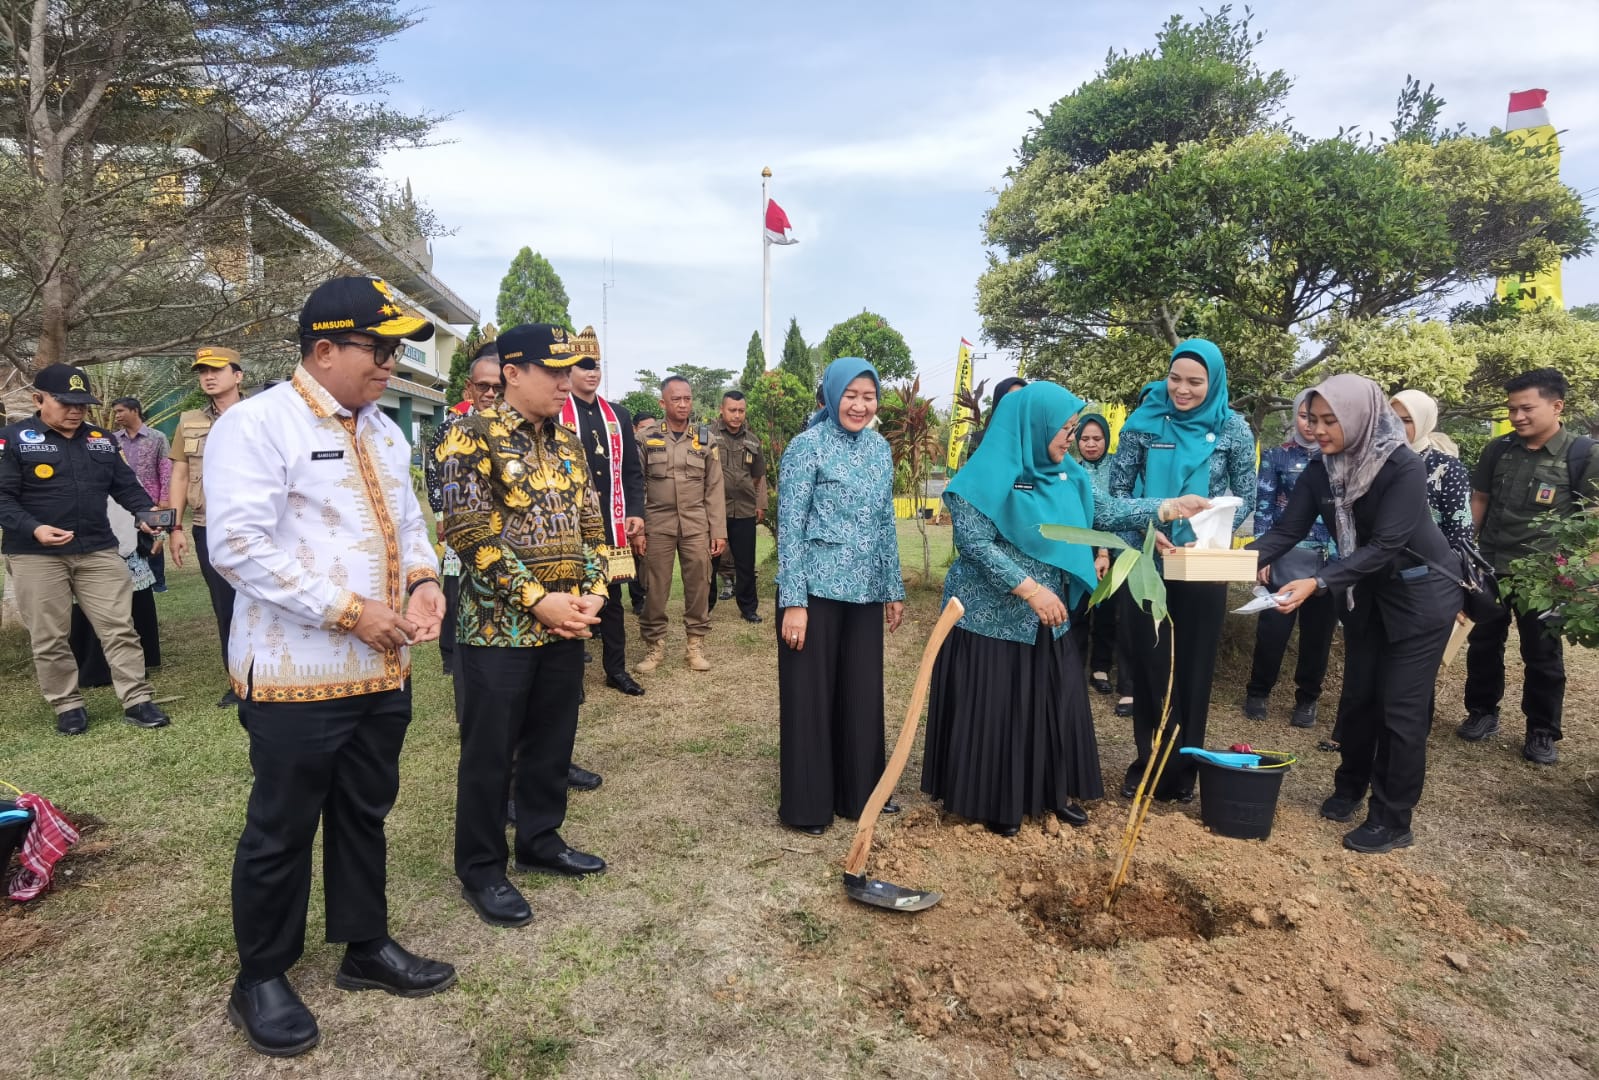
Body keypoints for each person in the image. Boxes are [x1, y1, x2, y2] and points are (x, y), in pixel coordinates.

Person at [205, 276, 454, 1057]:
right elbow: (239, 546)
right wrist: (350, 611)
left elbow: (409, 521)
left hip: (383, 669)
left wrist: (422, 580)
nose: (389, 363)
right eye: (378, 348)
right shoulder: (255, 425)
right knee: (281, 827)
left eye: (393, 350)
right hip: (295, 673)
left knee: (364, 812)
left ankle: (364, 945)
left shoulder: (383, 429)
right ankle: (262, 976)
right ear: (323, 349)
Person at [922, 383, 1205, 835]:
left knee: (1051, 703)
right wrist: (1030, 589)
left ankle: (1049, 792)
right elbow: (974, 545)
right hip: (991, 621)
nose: (1069, 439)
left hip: (1048, 621)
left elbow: (1105, 512)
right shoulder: (981, 478)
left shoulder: (1068, 475)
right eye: (1063, 429)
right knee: (1000, 709)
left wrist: (1171, 507)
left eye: (1074, 429)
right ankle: (993, 801)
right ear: (1033, 427)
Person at [439, 322, 610, 930]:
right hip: (497, 630)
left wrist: (592, 592)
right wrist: (539, 600)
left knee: (551, 741)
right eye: (554, 372)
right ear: (512, 372)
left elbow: (592, 522)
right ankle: (482, 867)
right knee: (489, 752)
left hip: (566, 626)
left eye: (571, 371)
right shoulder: (469, 437)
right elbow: (468, 532)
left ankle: (541, 840)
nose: (566, 383)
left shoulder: (566, 443)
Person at [1250, 375, 1461, 853]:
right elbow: (1287, 530)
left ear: (1360, 418)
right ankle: (1349, 787)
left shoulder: (1401, 466)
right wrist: (1232, 555)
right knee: (1360, 699)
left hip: (1420, 600)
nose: (1319, 430)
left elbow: (1388, 544)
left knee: (1400, 710)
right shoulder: (1321, 468)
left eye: (1331, 421)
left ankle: (1393, 819)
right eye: (1313, 419)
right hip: (1365, 597)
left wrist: (1321, 582)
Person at [1108, 339, 1255, 802]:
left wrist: (1216, 521)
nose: (1182, 390)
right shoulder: (1144, 422)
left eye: (1195, 381)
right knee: (1150, 665)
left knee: (1192, 670)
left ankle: (1182, 771)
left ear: (1214, 382)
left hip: (1203, 565)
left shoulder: (1233, 428)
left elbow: (1246, 494)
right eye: (1175, 379)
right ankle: (1147, 762)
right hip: (1148, 561)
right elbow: (1116, 495)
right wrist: (1149, 528)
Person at [0, 364, 171, 735]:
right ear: (38, 399)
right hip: (35, 555)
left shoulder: (101, 440)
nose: (76, 410)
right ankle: (68, 705)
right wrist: (35, 529)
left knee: (119, 627)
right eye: (66, 403)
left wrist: (144, 513)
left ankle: (137, 699)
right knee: (50, 635)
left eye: (83, 403)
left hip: (97, 549)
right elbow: (3, 498)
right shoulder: (12, 439)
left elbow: (126, 486)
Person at [776, 358, 905, 835]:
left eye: (868, 396)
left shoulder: (879, 449)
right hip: (815, 592)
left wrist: (893, 589)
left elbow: (886, 523)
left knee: (862, 693)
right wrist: (794, 601)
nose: (859, 404)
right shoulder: (806, 447)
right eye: (850, 394)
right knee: (810, 698)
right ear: (831, 396)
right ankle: (809, 805)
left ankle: (862, 794)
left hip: (866, 591)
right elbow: (788, 529)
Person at [1460, 368, 1598, 764]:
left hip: (1546, 577)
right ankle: (1482, 712)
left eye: (1526, 408)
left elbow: (1593, 518)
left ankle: (1542, 731)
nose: (1517, 417)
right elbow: (1481, 499)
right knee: (1484, 644)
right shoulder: (1498, 450)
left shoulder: (1583, 454)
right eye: (1511, 410)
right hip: (1492, 566)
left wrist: (1583, 577)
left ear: (1557, 406)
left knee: (1542, 654)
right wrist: (1469, 549)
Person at [1242, 390, 1339, 729]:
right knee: (1273, 630)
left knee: (1318, 635)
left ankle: (1308, 698)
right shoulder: (1276, 456)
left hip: (1329, 561)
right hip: (1284, 555)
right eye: (1304, 416)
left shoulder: (1340, 459)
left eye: (1321, 419)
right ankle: (1258, 692)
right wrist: (1262, 557)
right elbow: (1265, 508)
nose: (1311, 426)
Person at [559, 330, 646, 698]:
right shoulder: (558, 410)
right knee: (570, 596)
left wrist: (637, 512)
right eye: (583, 366)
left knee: (611, 599)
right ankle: (570, 677)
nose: (591, 373)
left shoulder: (619, 415)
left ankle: (616, 669)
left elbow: (631, 470)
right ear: (569, 369)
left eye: (596, 366)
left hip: (611, 525)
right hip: (568, 527)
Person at [166, 346, 246, 707]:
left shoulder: (261, 415)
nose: (208, 377)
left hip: (257, 524)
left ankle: (274, 670)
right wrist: (175, 527)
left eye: (216, 369)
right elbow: (180, 474)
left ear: (238, 375)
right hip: (208, 525)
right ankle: (238, 680)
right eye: (202, 371)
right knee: (224, 603)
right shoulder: (189, 421)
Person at [637, 376, 726, 673]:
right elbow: (638, 485)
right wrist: (639, 529)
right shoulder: (646, 438)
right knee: (655, 586)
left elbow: (714, 488)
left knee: (700, 583)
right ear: (663, 403)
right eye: (676, 399)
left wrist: (718, 531)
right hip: (657, 523)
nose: (684, 404)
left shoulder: (705, 439)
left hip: (695, 523)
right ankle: (654, 647)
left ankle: (695, 646)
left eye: (687, 398)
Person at [424, 342, 501, 679]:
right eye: (483, 386)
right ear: (469, 387)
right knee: (456, 590)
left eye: (497, 387)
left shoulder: (513, 428)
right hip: (460, 525)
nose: (490, 393)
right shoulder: (451, 427)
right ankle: (450, 654)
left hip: (501, 529)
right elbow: (433, 473)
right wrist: (441, 516)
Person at [1067, 411, 1131, 710]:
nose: (1091, 444)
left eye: (1097, 438)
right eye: (1084, 439)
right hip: (1079, 548)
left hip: (1114, 549)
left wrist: (1104, 551)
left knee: (1107, 610)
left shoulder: (1119, 469)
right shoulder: (1070, 470)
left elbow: (1116, 509)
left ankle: (1101, 667)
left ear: (1107, 439)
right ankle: (1075, 665)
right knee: (1077, 609)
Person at [69, 497, 161, 683]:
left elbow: (135, 495)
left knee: (126, 605)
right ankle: (95, 665)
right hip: (78, 538)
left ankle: (131, 663)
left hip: (121, 532)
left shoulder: (113, 468)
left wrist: (157, 534)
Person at [708, 390, 767, 623]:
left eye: (741, 410)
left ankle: (748, 608)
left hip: (743, 509)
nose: (737, 415)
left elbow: (758, 476)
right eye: (732, 410)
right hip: (714, 510)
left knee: (745, 562)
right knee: (709, 562)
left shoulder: (752, 440)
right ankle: (704, 607)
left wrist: (758, 502)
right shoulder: (706, 436)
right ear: (721, 410)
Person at [1390, 390, 1473, 548]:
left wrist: (1449, 567)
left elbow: (1460, 530)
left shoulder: (1446, 466)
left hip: (1431, 565)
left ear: (1424, 421)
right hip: (1378, 562)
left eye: (1407, 421)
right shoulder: (1376, 462)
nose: (1397, 427)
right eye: (1392, 419)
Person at [110, 396, 171, 591]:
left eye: (120, 411)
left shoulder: (157, 437)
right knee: (130, 540)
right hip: (122, 502)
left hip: (152, 499)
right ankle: (133, 580)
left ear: (134, 410)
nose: (117, 415)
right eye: (115, 412)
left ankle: (158, 583)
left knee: (154, 539)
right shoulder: (113, 440)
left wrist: (164, 499)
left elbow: (166, 469)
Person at [629, 412, 659, 615]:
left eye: (652, 427)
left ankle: (646, 597)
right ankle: (636, 598)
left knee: (646, 558)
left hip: (653, 511)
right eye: (644, 427)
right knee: (632, 557)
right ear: (634, 429)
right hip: (633, 510)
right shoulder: (629, 449)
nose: (649, 431)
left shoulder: (656, 447)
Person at [964, 375, 1026, 459]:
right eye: (1012, 398)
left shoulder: (1038, 439)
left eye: (1023, 397)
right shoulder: (979, 439)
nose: (1018, 403)